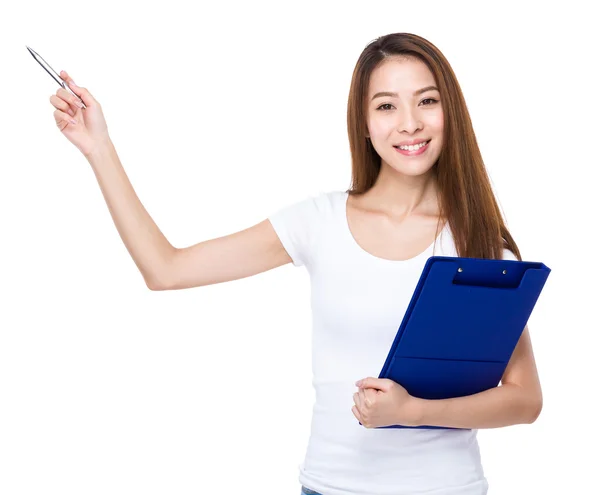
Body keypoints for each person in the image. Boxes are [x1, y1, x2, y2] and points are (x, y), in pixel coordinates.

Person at [49, 32, 542, 495]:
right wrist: (99, 148)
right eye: (387, 106)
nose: (409, 122)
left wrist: (411, 411)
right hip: (331, 487)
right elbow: (166, 269)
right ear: (365, 125)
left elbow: (524, 399)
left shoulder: (479, 242)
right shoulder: (319, 223)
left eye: (427, 101)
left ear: (450, 112)